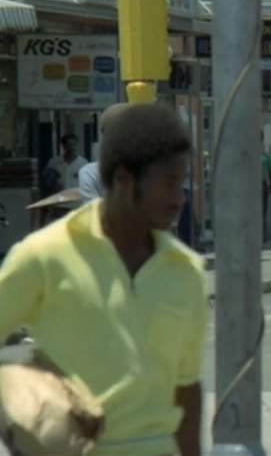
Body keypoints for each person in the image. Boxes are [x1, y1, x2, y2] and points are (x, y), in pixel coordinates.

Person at [0, 102, 208, 456]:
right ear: (125, 180)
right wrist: (18, 401)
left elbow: (186, 393)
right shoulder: (45, 256)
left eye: (182, 182)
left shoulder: (186, 271)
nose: (180, 198)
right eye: (168, 182)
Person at [261, 132, 271, 241]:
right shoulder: (248, 154)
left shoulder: (266, 156)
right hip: (251, 186)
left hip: (262, 184)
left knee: (262, 210)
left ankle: (262, 234)